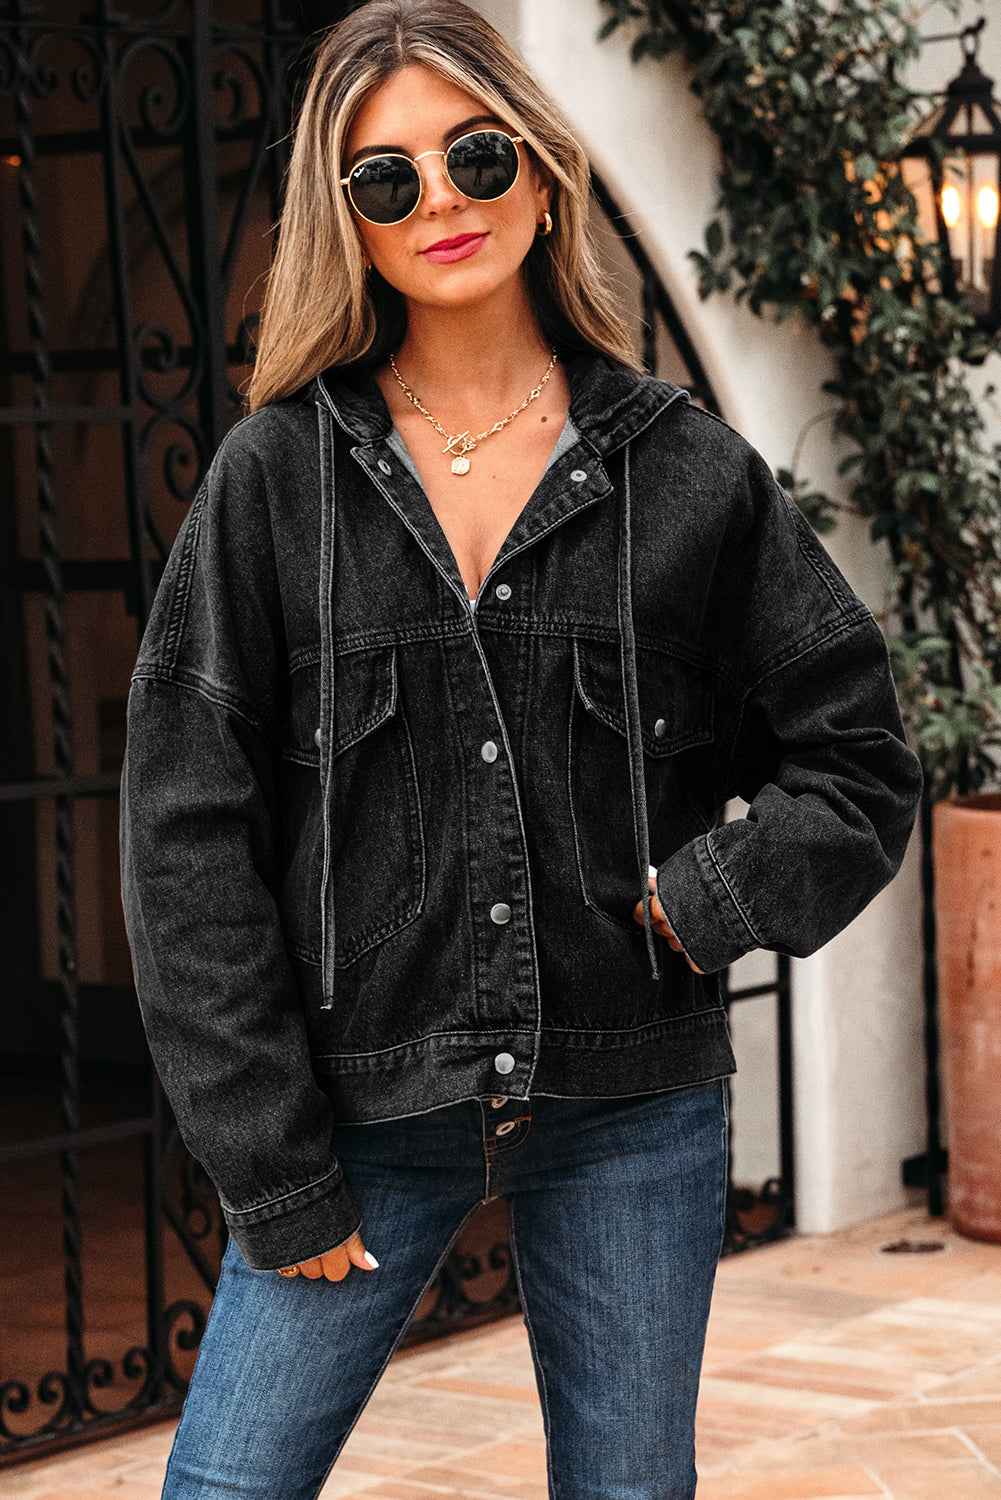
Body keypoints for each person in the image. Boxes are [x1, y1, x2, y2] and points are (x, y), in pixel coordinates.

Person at [119, 2, 924, 1496]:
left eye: (473, 155)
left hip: (632, 1107)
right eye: (385, 178)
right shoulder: (272, 485)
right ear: (344, 221)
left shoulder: (687, 472)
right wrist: (272, 1160)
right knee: (225, 1486)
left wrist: (714, 899)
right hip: (358, 1116)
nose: (439, 200)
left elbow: (860, 756)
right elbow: (184, 834)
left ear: (542, 177)